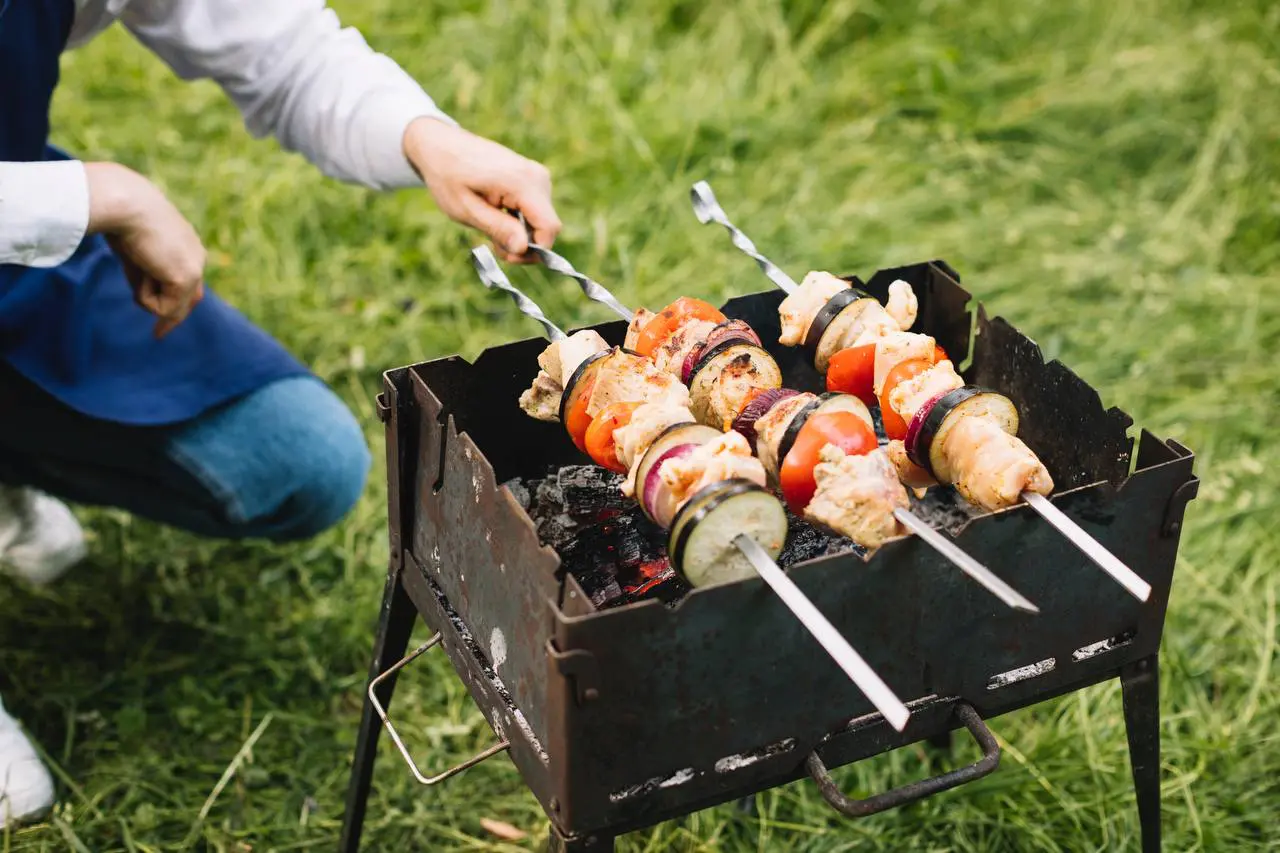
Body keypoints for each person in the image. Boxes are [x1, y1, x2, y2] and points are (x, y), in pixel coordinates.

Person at [0, 0, 562, 827]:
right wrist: (102, 195)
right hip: (42, 206)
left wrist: (426, 139)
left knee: (296, 459)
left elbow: (279, 49)